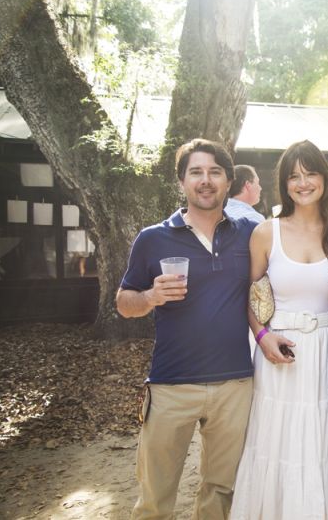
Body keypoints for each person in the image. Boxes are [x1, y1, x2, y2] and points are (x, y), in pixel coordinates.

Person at [117, 139, 256, 519]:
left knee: (221, 493)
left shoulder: (250, 233)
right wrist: (148, 297)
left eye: (214, 172)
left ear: (228, 180)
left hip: (235, 383)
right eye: (196, 172)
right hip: (171, 384)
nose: (206, 180)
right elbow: (123, 302)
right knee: (154, 498)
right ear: (182, 182)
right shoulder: (152, 238)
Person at [230, 140, 328, 519]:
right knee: (278, 445)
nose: (303, 182)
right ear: (283, 183)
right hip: (280, 354)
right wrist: (262, 337)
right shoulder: (267, 233)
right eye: (293, 176)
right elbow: (246, 296)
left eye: (310, 172)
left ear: (324, 178)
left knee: (325, 445)